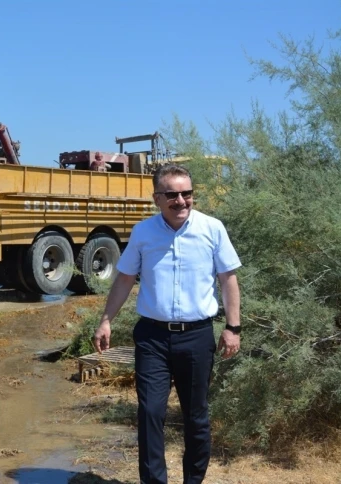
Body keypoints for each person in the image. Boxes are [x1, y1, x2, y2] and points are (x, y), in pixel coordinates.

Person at [93, 164, 241, 484]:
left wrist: (233, 327)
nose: (181, 201)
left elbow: (228, 279)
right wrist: (105, 321)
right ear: (156, 198)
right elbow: (124, 279)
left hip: (197, 337)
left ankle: (193, 480)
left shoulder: (212, 229)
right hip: (152, 339)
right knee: (149, 414)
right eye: (171, 194)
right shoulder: (143, 233)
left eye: (186, 193)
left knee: (196, 416)